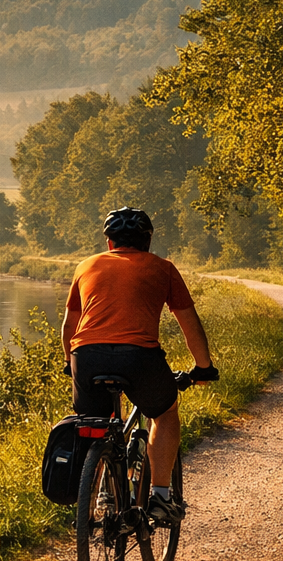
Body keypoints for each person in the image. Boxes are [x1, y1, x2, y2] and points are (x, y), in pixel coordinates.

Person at [61, 207, 214, 526]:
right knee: (165, 411)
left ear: (109, 243)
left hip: (86, 356)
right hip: (139, 356)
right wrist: (203, 368)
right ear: (147, 241)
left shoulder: (86, 265)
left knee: (94, 422)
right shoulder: (163, 268)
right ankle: (160, 498)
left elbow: (69, 325)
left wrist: (68, 363)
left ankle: (96, 496)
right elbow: (189, 323)